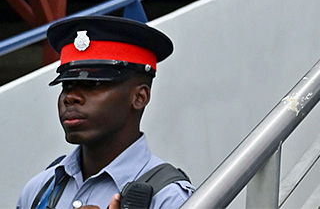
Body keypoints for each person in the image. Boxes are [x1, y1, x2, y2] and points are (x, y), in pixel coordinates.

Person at [16, 15, 192, 209]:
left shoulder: (170, 198)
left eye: (94, 84)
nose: (70, 97)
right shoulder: (39, 189)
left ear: (139, 97)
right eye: (67, 85)